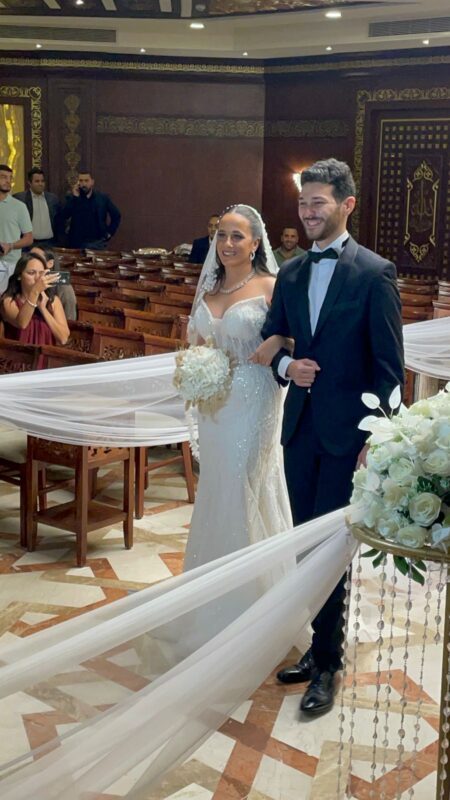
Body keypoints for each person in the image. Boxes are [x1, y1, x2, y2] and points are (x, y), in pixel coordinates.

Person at [260, 158, 404, 716]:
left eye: (317, 203)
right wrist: (286, 367)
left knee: (330, 550)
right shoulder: (292, 271)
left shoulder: (375, 273)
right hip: (299, 430)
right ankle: (319, 646)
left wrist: (379, 437)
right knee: (305, 544)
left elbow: (389, 368)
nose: (307, 212)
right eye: (303, 203)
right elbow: (273, 339)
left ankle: (327, 662)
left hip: (348, 437)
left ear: (347, 205)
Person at [184, 204, 292, 573]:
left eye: (237, 236)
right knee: (217, 483)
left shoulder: (271, 286)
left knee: (244, 479)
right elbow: (198, 343)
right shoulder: (209, 289)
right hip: (214, 405)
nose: (227, 243)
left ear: (255, 244)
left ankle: (254, 579)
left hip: (254, 398)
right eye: (222, 236)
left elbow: (299, 338)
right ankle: (212, 578)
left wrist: (279, 340)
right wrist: (195, 369)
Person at [1, 251, 69, 369]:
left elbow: (63, 338)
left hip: (45, 366)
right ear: (19, 276)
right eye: (31, 273)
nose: (38, 278)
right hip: (17, 366)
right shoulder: (9, 301)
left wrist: (43, 309)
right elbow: (22, 323)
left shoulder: (53, 301)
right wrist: (35, 292)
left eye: (41, 273)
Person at [60, 170, 121, 250]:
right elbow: (64, 215)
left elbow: (116, 215)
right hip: (77, 243)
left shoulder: (102, 198)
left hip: (97, 242)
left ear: (92, 182)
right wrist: (75, 198)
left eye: (86, 181)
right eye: (81, 181)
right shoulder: (73, 198)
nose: (84, 184)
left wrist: (110, 232)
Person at [0, 164, 33, 295]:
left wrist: (10, 246)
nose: (8, 181)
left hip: (11, 264)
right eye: (3, 177)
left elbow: (29, 238)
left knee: (6, 301)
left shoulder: (19, 207)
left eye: (10, 178)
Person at [14, 168, 61, 247]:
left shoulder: (53, 199)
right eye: (37, 181)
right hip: (29, 244)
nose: (40, 184)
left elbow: (59, 221)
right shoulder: (20, 198)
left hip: (49, 244)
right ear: (29, 183)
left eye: (42, 181)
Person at [30, 245, 77, 321]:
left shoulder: (64, 288)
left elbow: (69, 321)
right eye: (29, 257)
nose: (30, 261)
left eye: (36, 258)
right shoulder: (26, 281)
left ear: (50, 263)